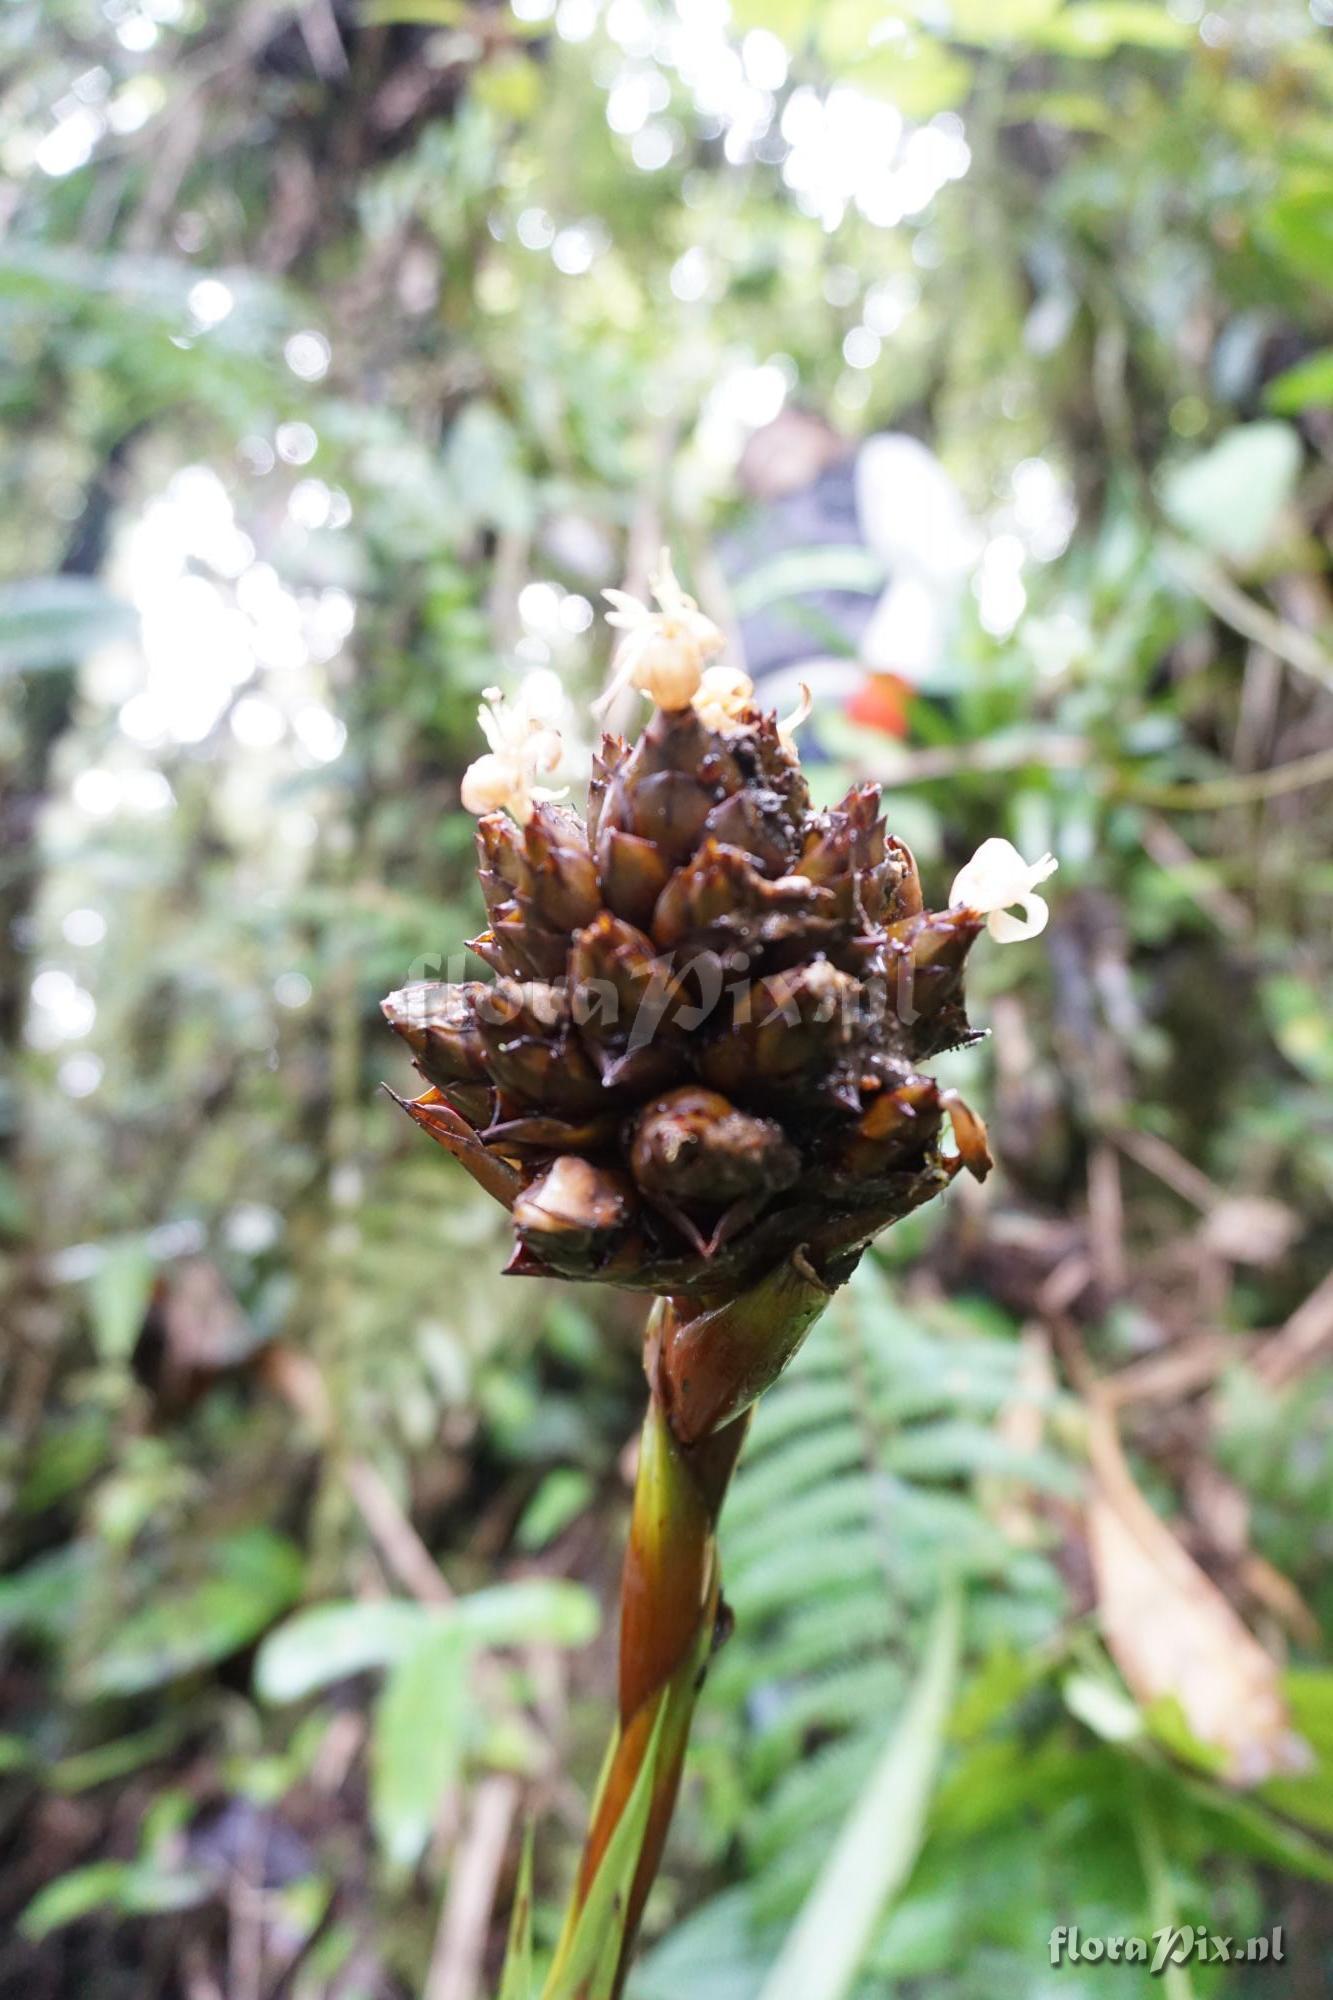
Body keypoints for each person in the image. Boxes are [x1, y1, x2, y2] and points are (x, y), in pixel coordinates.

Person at [721, 406, 976, 745]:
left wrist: (891, 683)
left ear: (817, 426)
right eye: (756, 453)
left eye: (780, 437)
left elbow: (932, 572)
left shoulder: (879, 467)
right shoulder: (738, 538)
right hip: (758, 728)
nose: (768, 452)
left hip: (858, 709)